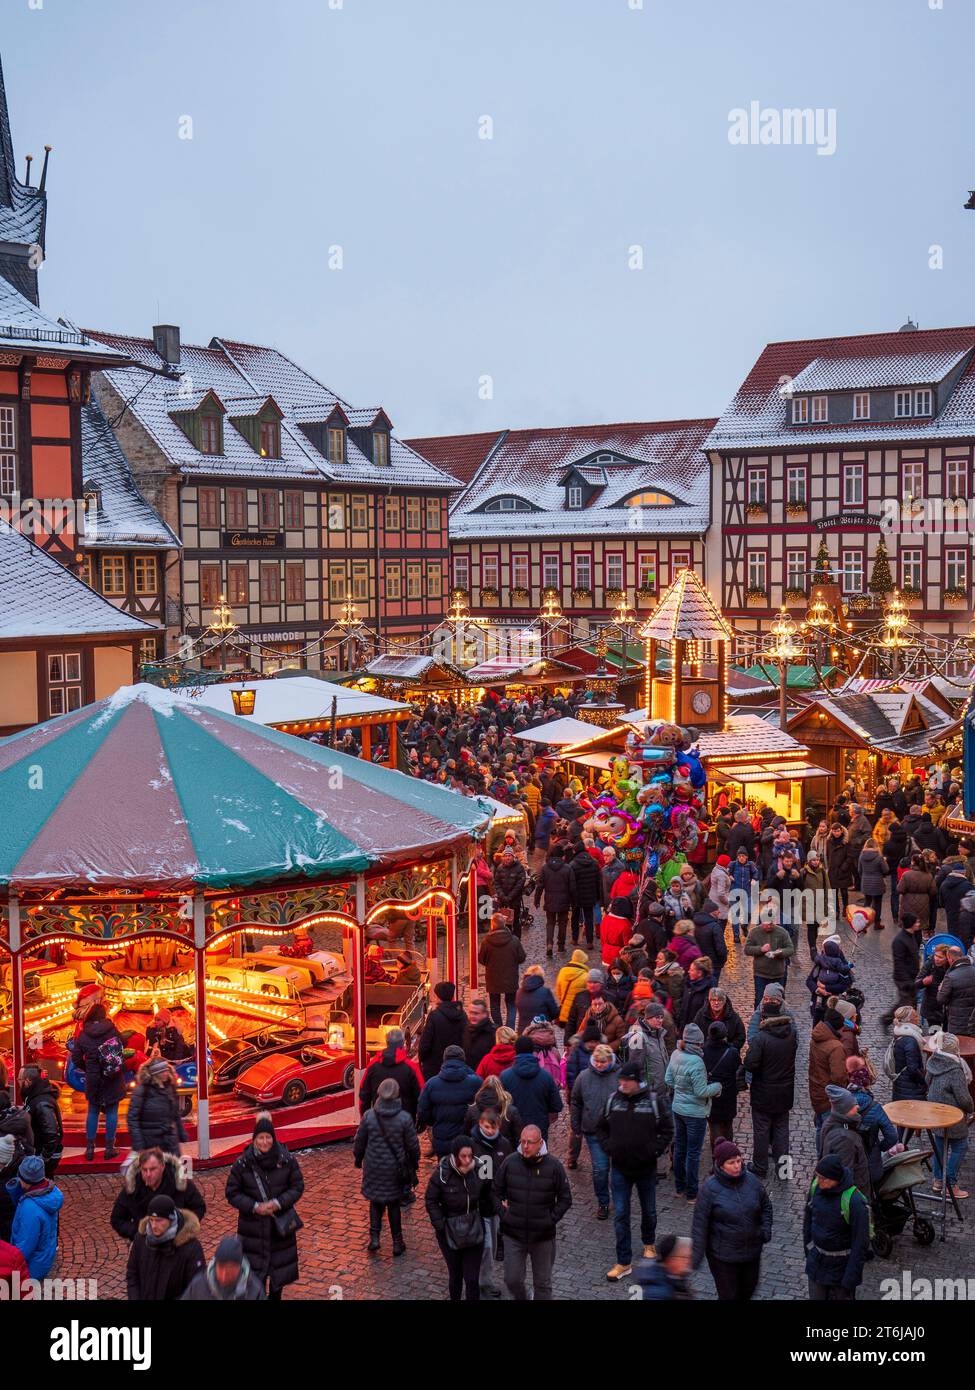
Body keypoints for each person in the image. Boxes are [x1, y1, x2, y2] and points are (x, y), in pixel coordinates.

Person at [598, 1060, 674, 1280]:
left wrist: (653, 1151)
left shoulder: (653, 1101)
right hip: (620, 1168)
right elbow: (600, 1128)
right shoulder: (613, 1101)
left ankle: (648, 1242)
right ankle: (623, 1261)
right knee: (621, 1214)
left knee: (648, 1209)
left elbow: (667, 1129)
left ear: (636, 1080)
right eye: (621, 1079)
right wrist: (609, 1147)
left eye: (626, 1080)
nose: (622, 1083)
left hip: (645, 1168)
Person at [225, 1113, 305, 1299]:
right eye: (260, 1137)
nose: (264, 1142)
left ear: (273, 1137)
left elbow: (297, 1186)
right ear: (254, 1140)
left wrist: (278, 1203)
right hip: (253, 1231)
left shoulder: (286, 1160)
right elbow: (232, 1193)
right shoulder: (242, 1164)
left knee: (278, 1282)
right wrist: (254, 1206)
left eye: (268, 1137)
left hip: (279, 1232)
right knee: (255, 1284)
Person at [494, 1124, 572, 1300]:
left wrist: (549, 1219)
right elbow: (495, 1191)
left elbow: (565, 1198)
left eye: (530, 1142)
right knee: (512, 1280)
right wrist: (504, 1215)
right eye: (522, 1141)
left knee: (543, 1284)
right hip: (514, 1235)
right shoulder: (510, 1162)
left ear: (540, 1143)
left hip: (542, 1237)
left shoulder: (554, 1166)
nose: (525, 1146)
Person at [691, 1139, 771, 1301]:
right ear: (721, 1165)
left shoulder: (752, 1181)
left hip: (751, 1253)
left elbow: (766, 1206)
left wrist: (765, 1229)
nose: (737, 1166)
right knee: (729, 1295)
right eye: (731, 1162)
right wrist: (696, 1257)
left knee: (749, 1289)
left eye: (739, 1161)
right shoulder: (709, 1189)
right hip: (723, 1257)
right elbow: (700, 1224)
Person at [354, 1077, 419, 1255]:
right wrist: (414, 1163)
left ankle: (374, 1238)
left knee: (375, 1202)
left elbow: (360, 1141)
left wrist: (358, 1159)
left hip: (374, 1166)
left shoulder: (369, 1116)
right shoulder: (404, 1118)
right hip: (394, 1169)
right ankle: (397, 1242)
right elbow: (413, 1145)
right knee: (393, 1204)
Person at [424, 1134, 493, 1301]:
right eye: (463, 1156)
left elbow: (488, 1193)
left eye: (470, 1155)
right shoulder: (442, 1173)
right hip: (450, 1232)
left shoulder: (480, 1167)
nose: (468, 1160)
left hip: (474, 1229)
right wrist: (440, 1225)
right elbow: (431, 1200)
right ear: (455, 1156)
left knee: (471, 1279)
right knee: (456, 1275)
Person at [665, 1023, 722, 1203]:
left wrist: (681, 1090)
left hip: (678, 1109)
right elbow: (701, 1091)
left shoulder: (675, 1054)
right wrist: (717, 1087)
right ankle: (692, 1193)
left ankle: (679, 1188)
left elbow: (668, 1079)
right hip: (695, 1113)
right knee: (693, 1153)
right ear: (697, 1043)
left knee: (680, 1149)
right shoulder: (697, 1062)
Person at [743, 994, 797, 1179]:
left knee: (761, 1130)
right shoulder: (791, 1034)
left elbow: (750, 1063)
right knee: (782, 1131)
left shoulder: (760, 1038)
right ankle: (784, 1171)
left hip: (763, 1092)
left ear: (765, 1018)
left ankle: (760, 1167)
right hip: (785, 1091)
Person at [804, 1154, 869, 1300]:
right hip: (817, 1264)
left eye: (822, 1178)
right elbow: (807, 1220)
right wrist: (809, 1249)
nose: (818, 1181)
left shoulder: (854, 1202)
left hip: (841, 1270)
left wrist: (850, 1278)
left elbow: (860, 1243)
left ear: (835, 1179)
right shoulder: (816, 1187)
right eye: (817, 1176)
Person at [111, 1147, 207, 1242]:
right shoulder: (133, 1187)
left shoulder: (179, 1183)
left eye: (152, 1169)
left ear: (162, 1167)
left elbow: (199, 1207)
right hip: (144, 1246)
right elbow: (117, 1219)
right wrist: (138, 1233)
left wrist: (180, 1230)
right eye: (144, 1170)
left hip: (175, 1244)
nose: (148, 1174)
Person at [70, 1002, 126, 1161]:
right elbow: (124, 1043)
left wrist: (88, 1067)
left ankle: (90, 1148)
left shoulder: (84, 1033)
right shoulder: (111, 1029)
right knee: (112, 1111)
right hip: (112, 1075)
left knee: (93, 1111)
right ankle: (109, 1148)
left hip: (93, 1077)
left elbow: (75, 1057)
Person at [569, 1043, 619, 1219]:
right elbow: (575, 1101)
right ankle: (603, 1202)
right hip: (594, 1131)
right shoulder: (584, 1077)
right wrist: (576, 1125)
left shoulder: (620, 1076)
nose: (599, 1065)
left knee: (619, 1170)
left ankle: (620, 1200)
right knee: (600, 1169)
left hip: (617, 1131)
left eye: (603, 1062)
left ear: (610, 1060)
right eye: (597, 1061)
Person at [125, 1192, 204, 1301]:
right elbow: (132, 1274)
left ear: (171, 1220)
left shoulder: (191, 1248)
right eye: (151, 1220)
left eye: (159, 1221)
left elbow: (195, 1288)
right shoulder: (141, 1239)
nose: (153, 1225)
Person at [468, 1106, 512, 1298]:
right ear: (480, 1124)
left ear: (499, 1127)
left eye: (492, 1128)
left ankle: (481, 1279)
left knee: (492, 1245)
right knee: (484, 1246)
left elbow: (509, 1171)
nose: (489, 1131)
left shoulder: (504, 1146)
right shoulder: (472, 1145)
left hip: (495, 1205)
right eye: (486, 1127)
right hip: (477, 1205)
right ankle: (480, 1281)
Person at [924, 1033, 973, 1198]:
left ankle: (938, 1180)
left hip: (935, 1111)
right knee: (960, 1146)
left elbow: (927, 1081)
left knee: (940, 1146)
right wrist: (971, 1108)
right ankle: (950, 1184)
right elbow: (963, 1098)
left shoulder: (932, 1061)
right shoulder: (955, 1069)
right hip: (953, 1114)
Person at [4, 1155, 62, 1280]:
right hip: (43, 1257)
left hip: (31, 1267)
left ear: (25, 1180)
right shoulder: (50, 1192)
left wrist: (8, 1265)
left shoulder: (30, 1208)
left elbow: (25, 1245)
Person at [417, 1045, 481, 1156]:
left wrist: (433, 1121)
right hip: (466, 1137)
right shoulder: (475, 1082)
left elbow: (422, 1111)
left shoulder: (431, 1084)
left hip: (442, 1137)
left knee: (444, 1169)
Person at [500, 1037, 563, 1140]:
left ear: (515, 1050)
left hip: (513, 1129)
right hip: (539, 1128)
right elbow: (557, 1105)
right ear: (532, 1050)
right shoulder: (546, 1076)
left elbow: (500, 1105)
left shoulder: (505, 1076)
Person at [358, 1027, 424, 1119]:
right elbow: (421, 1096)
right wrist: (421, 1119)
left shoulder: (373, 1065)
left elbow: (363, 1095)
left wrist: (364, 1118)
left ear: (387, 1042)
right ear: (402, 1043)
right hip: (405, 1122)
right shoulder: (411, 1067)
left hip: (379, 1121)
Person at [819, 1086, 870, 1199]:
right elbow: (844, 1176)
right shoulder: (843, 1139)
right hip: (853, 1197)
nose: (857, 1106)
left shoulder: (835, 1123)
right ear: (844, 1110)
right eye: (852, 1105)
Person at [127, 1058, 187, 1155]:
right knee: (156, 1169)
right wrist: (138, 1143)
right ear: (155, 1074)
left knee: (173, 1167)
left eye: (166, 1070)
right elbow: (132, 1118)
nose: (166, 1073)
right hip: (150, 1142)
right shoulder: (142, 1090)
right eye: (162, 1071)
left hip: (170, 1140)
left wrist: (181, 1132)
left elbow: (175, 1113)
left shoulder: (170, 1087)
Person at [181, 1234, 265, 1301]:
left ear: (239, 1267)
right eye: (221, 1267)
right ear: (215, 1264)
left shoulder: (255, 1291)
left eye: (230, 1268)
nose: (224, 1275)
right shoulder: (198, 1286)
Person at [478, 911, 526, 1028]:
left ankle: (499, 1029)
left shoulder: (486, 942)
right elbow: (522, 957)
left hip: (493, 979)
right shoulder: (514, 940)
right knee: (511, 1005)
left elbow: (481, 959)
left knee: (495, 1005)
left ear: (492, 925)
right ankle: (509, 1030)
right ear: (504, 924)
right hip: (511, 978)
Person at [808, 1008, 850, 1141]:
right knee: (829, 1131)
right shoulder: (836, 1047)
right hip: (829, 1097)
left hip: (816, 1090)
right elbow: (838, 1077)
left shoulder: (816, 1037)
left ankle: (820, 1155)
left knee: (820, 1127)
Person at [18, 1066, 63, 1179]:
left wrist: (43, 1158)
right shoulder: (34, 1096)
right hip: (39, 1152)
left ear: (27, 1081)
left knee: (42, 1184)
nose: (18, 1082)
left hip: (43, 1155)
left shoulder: (41, 1102)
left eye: (19, 1079)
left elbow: (52, 1133)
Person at [702, 1021, 740, 1152]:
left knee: (714, 1127)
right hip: (728, 1094)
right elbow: (737, 1067)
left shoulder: (703, 1051)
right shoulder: (732, 1052)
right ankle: (728, 1152)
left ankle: (717, 1156)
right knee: (728, 1126)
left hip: (712, 1095)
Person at [417, 981, 467, 1082]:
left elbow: (425, 1042)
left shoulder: (434, 1016)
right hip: (457, 1063)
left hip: (435, 1067)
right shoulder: (462, 1015)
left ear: (438, 996)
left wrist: (421, 1058)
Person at [743, 913, 794, 1009]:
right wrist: (760, 949)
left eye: (771, 924)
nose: (769, 926)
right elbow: (747, 949)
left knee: (779, 1000)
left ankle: (779, 1020)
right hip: (760, 974)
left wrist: (780, 952)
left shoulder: (782, 932)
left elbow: (790, 949)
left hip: (778, 974)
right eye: (766, 924)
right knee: (759, 1000)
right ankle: (759, 1020)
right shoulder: (754, 932)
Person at [534, 844, 576, 958]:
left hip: (550, 900)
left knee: (550, 923)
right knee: (562, 923)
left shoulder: (545, 868)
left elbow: (540, 886)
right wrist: (573, 902)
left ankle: (549, 943)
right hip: (564, 901)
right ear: (562, 856)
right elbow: (572, 887)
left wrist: (537, 900)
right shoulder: (568, 868)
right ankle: (561, 945)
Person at [882, 914, 922, 1025]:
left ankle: (909, 1021)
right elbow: (898, 963)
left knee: (910, 1001)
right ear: (911, 924)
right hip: (904, 978)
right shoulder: (899, 941)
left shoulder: (912, 935)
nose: (919, 924)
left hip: (912, 976)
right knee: (905, 1003)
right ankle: (887, 1019)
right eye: (917, 922)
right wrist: (906, 980)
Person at [885, 1006, 927, 1101]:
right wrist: (923, 1081)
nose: (918, 1018)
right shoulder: (911, 1040)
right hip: (911, 1089)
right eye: (915, 1016)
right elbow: (913, 1069)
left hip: (900, 1084)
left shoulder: (899, 1033)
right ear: (909, 1020)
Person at [692, 987, 746, 1053]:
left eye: (720, 1000)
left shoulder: (733, 1016)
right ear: (709, 1001)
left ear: (724, 1001)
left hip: (726, 1054)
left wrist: (730, 1049)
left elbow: (740, 1036)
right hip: (705, 1053)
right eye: (713, 1000)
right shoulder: (701, 1015)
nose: (716, 1003)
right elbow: (694, 1032)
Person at [937, 946, 975, 1035]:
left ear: (949, 958)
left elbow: (941, 999)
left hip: (957, 1024)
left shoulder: (950, 976)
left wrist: (940, 989)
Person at [493, 846, 527, 936]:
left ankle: (516, 941)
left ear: (513, 857)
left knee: (516, 921)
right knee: (506, 922)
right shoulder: (500, 868)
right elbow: (497, 883)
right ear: (503, 857)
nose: (507, 857)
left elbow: (520, 884)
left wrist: (510, 896)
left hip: (515, 900)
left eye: (509, 855)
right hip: (503, 901)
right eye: (506, 855)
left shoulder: (519, 867)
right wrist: (502, 896)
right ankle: (507, 940)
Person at [554, 948, 591, 1031]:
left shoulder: (562, 971)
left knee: (567, 1035)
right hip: (578, 1013)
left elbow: (558, 990)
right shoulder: (586, 975)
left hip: (565, 1011)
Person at [514, 965, 559, 1032]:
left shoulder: (519, 992)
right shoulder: (545, 992)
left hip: (523, 1032)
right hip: (542, 1031)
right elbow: (554, 1013)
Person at [464, 997, 497, 1072]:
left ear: (485, 1014)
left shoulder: (493, 1032)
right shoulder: (464, 1029)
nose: (472, 1016)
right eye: (470, 1012)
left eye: (476, 1013)